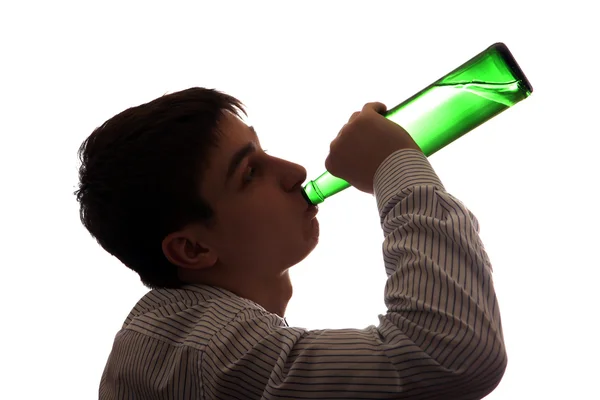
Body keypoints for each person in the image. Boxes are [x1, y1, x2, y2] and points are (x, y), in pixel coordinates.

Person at [75, 87, 506, 399]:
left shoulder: (202, 347)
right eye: (249, 173)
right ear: (193, 249)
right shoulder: (200, 350)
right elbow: (449, 353)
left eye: (263, 151)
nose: (296, 170)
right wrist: (395, 168)